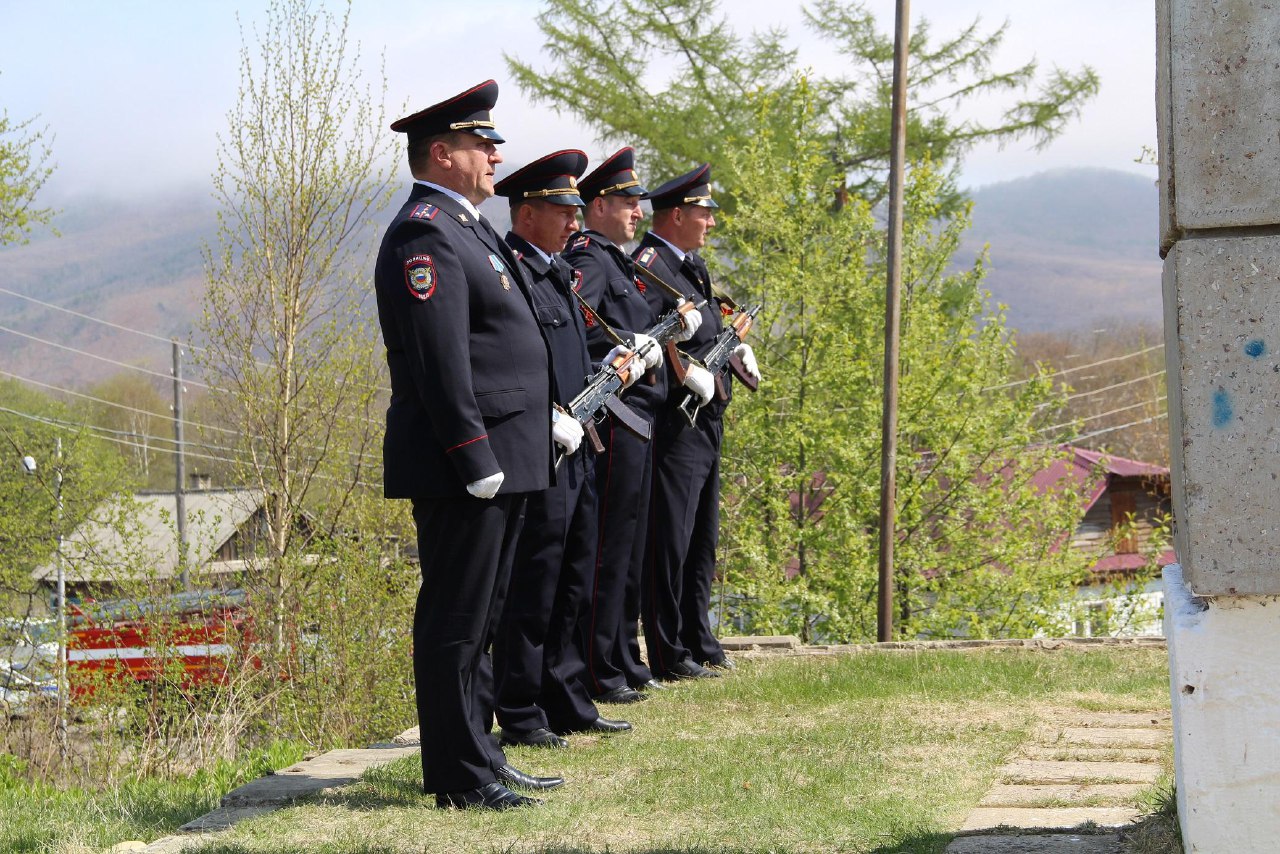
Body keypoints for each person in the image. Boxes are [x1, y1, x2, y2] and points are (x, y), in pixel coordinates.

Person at [374, 79, 565, 811]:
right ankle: (457, 774)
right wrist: (473, 453)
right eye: (481, 144)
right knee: (456, 621)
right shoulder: (425, 230)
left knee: (483, 617)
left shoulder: (470, 226)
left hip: (507, 455)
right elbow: (439, 359)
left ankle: (481, 754)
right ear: (442, 153)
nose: (494, 155)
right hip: (468, 463)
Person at [490, 149, 636, 746]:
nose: (576, 222)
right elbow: (510, 361)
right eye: (564, 210)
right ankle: (522, 713)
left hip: (579, 446)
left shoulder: (553, 272)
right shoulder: (516, 272)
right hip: (542, 449)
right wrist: (546, 416)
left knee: (575, 578)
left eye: (578, 209)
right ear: (528, 213)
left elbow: (572, 357)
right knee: (535, 585)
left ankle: (568, 697)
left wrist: (613, 366)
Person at [563, 148, 700, 704]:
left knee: (628, 547)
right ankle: (601, 665)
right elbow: (577, 328)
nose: (637, 213)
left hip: (639, 419)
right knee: (608, 549)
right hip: (616, 417)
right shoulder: (591, 259)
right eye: (626, 202)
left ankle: (619, 654)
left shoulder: (617, 260)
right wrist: (620, 351)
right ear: (598, 206)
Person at [633, 163, 760, 681]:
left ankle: (696, 636)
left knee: (701, 535)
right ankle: (667, 650)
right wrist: (688, 376)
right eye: (704, 212)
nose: (711, 221)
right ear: (679, 214)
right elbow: (646, 337)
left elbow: (703, 332)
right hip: (675, 422)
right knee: (671, 538)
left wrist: (734, 352)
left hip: (707, 419)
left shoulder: (692, 268)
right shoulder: (649, 264)